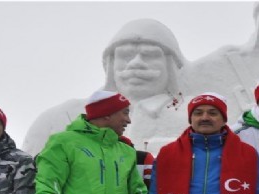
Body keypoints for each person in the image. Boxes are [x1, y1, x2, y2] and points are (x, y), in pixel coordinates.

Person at [23, 18, 188, 155]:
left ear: (171, 64)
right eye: (125, 55)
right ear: (110, 64)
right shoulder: (62, 116)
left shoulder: (197, 115)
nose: (136, 63)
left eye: (150, 55)